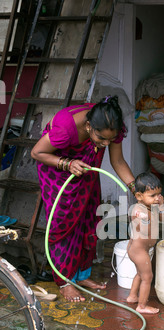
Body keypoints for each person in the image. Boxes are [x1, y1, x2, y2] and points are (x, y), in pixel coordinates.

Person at [31, 95, 136, 302]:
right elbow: (37, 152)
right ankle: (64, 281)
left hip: (85, 171)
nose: (105, 144)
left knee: (88, 217)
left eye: (109, 140)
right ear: (88, 126)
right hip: (57, 171)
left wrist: (137, 190)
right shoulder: (66, 129)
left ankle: (81, 275)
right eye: (101, 139)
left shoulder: (111, 126)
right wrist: (67, 164)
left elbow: (118, 161)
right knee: (64, 225)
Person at [126, 172, 164, 315]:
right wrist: (142, 218)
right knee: (148, 277)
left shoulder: (154, 206)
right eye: (152, 196)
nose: (157, 198)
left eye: (159, 194)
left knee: (140, 273)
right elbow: (136, 217)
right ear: (139, 196)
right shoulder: (139, 209)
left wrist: (162, 206)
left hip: (142, 249)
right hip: (139, 250)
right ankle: (141, 306)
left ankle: (132, 296)